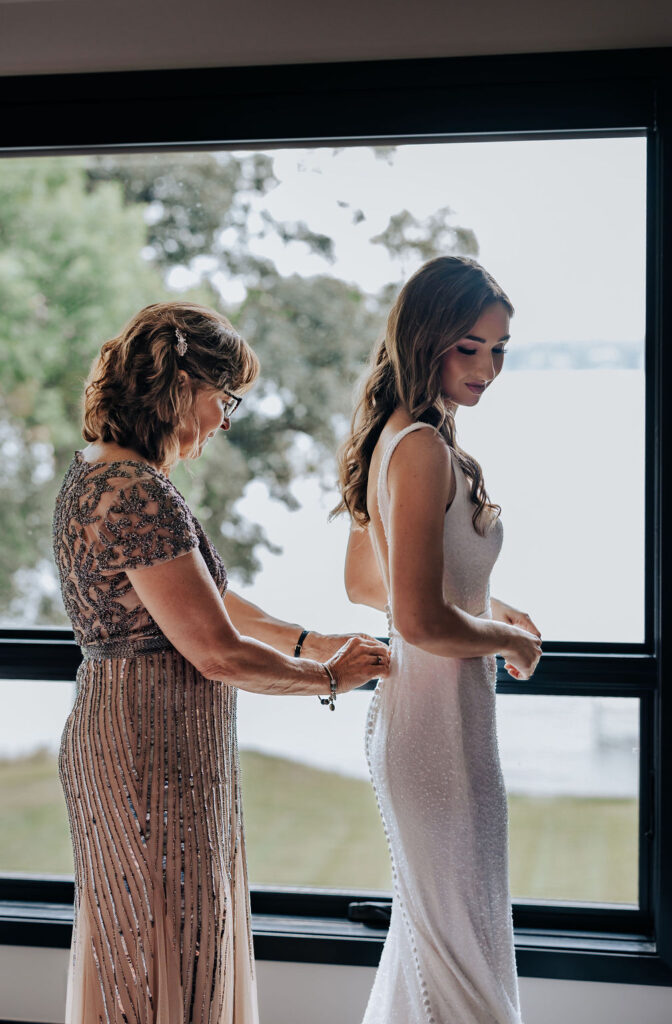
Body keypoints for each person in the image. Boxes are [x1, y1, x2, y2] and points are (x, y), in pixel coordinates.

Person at [52, 301, 390, 1024]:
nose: (226, 418)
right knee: (171, 951)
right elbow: (215, 649)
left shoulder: (101, 474)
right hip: (151, 747)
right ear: (181, 384)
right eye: (224, 397)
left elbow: (212, 603)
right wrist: (330, 680)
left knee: (149, 948)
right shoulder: (139, 493)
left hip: (137, 734)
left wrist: (309, 640)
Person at [335, 257, 542, 1024]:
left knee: (444, 948)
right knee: (463, 960)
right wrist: (506, 642)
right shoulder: (419, 446)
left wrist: (490, 605)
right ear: (426, 339)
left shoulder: (399, 437)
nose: (487, 367)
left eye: (499, 350)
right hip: (435, 733)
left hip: (435, 724)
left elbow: (370, 582)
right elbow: (416, 618)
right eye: (469, 347)